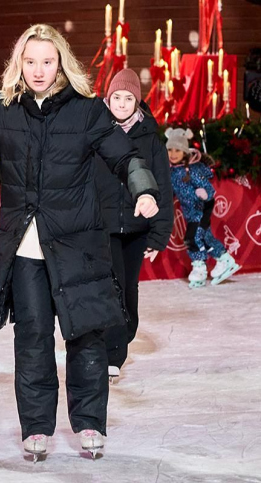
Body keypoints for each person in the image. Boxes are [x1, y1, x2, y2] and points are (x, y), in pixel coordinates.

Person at [0, 24, 160, 460]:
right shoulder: (3, 110)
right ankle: (36, 427)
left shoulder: (87, 110)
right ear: (19, 64)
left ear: (60, 63)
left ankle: (89, 422)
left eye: (47, 61)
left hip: (78, 245)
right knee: (32, 336)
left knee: (86, 334)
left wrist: (143, 190)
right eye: (30, 62)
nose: (38, 70)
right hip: (26, 248)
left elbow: (125, 156)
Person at [94, 69, 174, 383]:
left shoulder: (150, 137)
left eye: (129, 98)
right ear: (108, 98)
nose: (122, 103)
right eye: (117, 97)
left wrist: (159, 232)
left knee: (128, 288)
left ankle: (124, 335)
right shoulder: (96, 131)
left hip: (137, 227)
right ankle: (113, 353)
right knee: (112, 284)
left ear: (137, 102)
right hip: (104, 226)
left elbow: (162, 185)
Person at [165, 127, 240, 287]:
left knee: (192, 237)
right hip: (190, 212)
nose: (173, 154)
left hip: (202, 208)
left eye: (177, 150)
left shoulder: (192, 170)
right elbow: (171, 192)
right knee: (204, 236)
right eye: (170, 150)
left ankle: (199, 267)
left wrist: (204, 193)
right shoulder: (172, 172)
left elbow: (208, 188)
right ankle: (224, 259)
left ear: (185, 151)